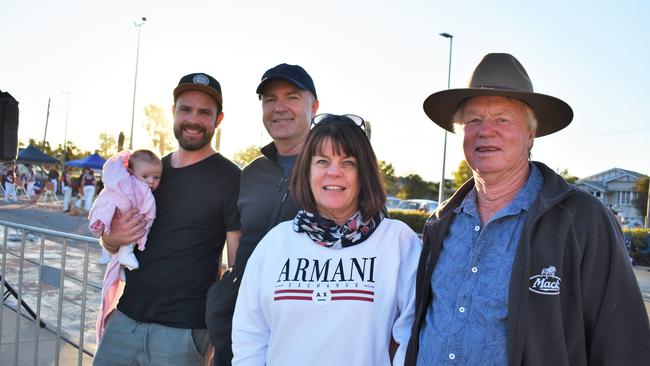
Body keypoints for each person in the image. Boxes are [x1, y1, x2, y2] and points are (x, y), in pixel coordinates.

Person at [405, 53, 650, 365]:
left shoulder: (582, 222)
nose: (485, 131)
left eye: (503, 119)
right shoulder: (440, 223)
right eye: (473, 120)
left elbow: (623, 345)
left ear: (531, 133)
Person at [231, 114, 420, 365]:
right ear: (306, 171)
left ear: (364, 174)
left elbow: (412, 336)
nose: (334, 172)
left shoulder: (397, 241)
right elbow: (250, 337)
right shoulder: (275, 243)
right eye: (322, 161)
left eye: (348, 163)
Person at [92, 72, 241, 366]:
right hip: (125, 320)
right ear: (173, 112)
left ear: (218, 119)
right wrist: (112, 238)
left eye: (204, 112)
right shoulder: (147, 175)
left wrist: (220, 336)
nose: (193, 119)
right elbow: (113, 240)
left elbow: (237, 264)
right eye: (185, 109)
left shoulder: (231, 178)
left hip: (184, 333)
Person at [205, 63, 319, 365]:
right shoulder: (251, 172)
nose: (279, 107)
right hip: (237, 336)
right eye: (270, 99)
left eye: (292, 97)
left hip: (301, 340)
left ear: (314, 106)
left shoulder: (334, 171)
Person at [89, 149, 161, 343]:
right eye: (146, 176)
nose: (152, 181)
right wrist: (113, 237)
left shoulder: (155, 174)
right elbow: (109, 240)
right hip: (127, 310)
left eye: (156, 177)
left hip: (175, 319)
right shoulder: (149, 167)